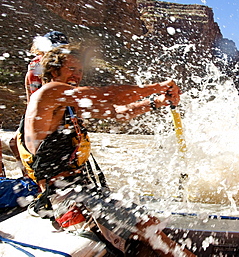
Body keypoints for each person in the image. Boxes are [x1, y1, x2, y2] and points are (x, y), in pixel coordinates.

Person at [16, 43, 195, 256]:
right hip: (65, 198)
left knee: (149, 232)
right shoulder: (50, 92)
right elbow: (109, 96)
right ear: (54, 71)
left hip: (80, 192)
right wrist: (158, 86)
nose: (78, 75)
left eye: (80, 70)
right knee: (149, 228)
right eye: (71, 69)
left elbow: (119, 112)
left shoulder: (67, 104)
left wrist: (156, 102)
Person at [8, 31, 69, 175]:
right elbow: (31, 91)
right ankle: (30, 177)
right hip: (37, 111)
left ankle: (33, 178)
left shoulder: (55, 66)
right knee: (16, 144)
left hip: (50, 113)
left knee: (26, 146)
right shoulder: (37, 64)